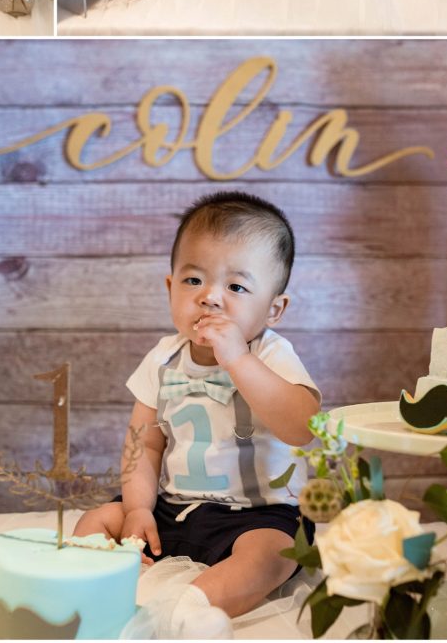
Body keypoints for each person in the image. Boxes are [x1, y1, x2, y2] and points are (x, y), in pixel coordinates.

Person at [74, 191, 320, 638]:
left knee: (275, 553)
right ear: (170, 288)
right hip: (173, 507)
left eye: (236, 287)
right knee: (96, 521)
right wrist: (137, 509)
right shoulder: (162, 359)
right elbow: (143, 443)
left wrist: (238, 361)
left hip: (256, 514)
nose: (210, 298)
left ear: (274, 309)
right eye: (193, 281)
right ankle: (87, 586)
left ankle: (192, 606)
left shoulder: (272, 354)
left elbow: (302, 426)